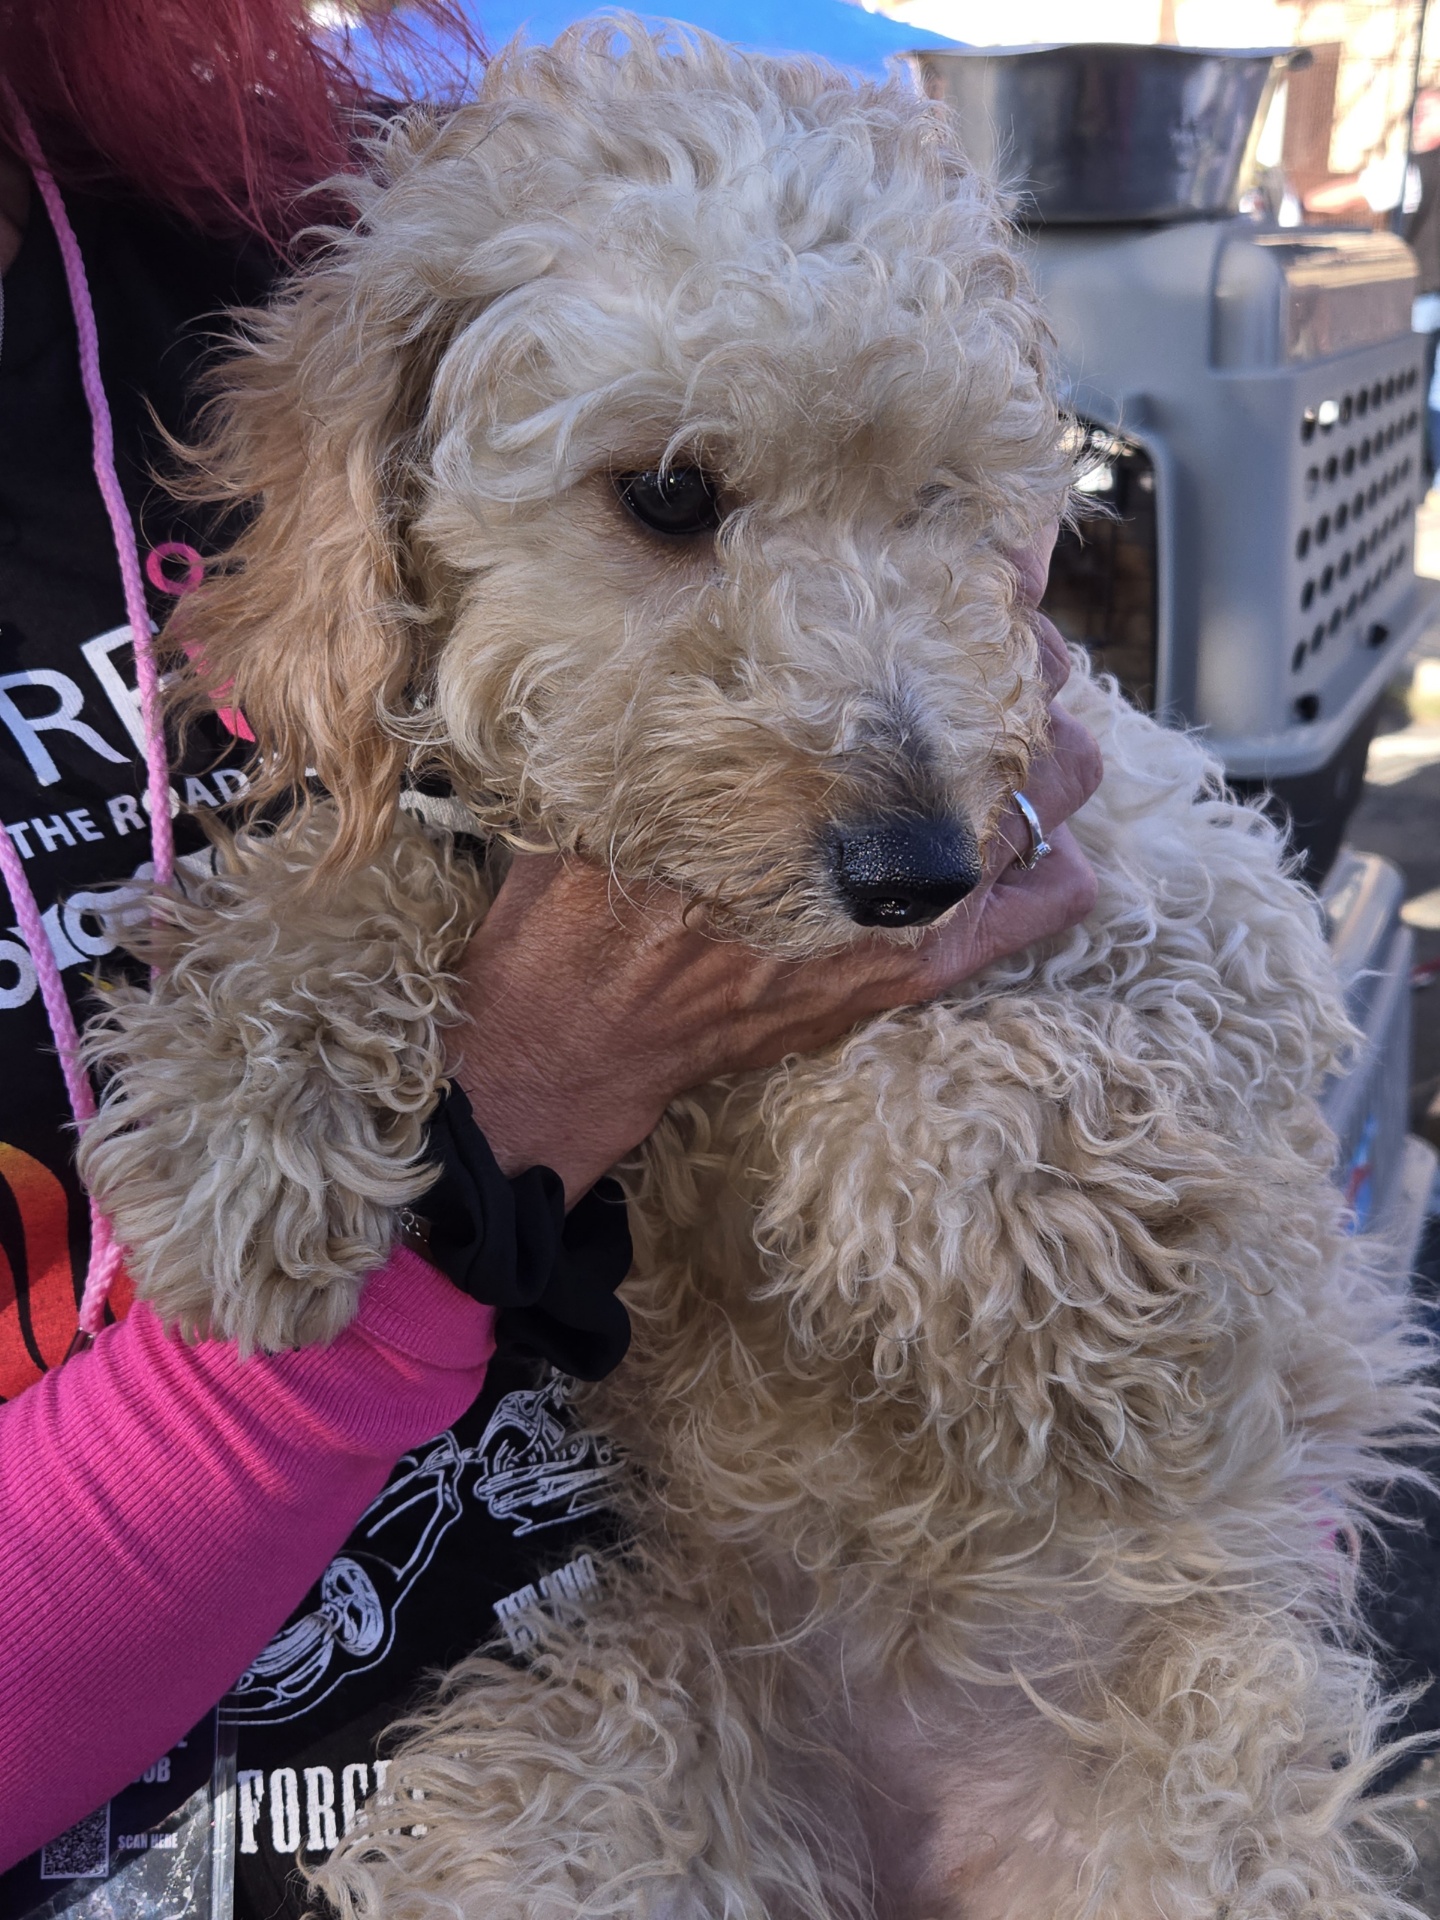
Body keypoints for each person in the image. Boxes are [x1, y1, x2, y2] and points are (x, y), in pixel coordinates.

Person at [0, 3, 1102, 1912]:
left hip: (771, 1590)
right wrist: (486, 1127)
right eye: (670, 499)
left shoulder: (251, 207)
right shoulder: (396, 338)